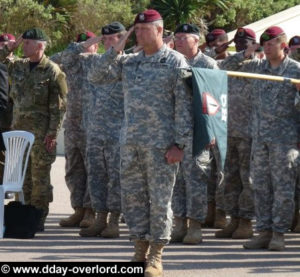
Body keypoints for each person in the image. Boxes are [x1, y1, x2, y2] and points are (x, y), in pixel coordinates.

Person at [82, 10, 191, 277]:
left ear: (159, 30)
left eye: (144, 29)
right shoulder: (129, 61)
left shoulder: (175, 62)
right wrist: (118, 46)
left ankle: (156, 254)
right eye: (136, 29)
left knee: (159, 201)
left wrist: (181, 145)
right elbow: (96, 75)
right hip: (130, 144)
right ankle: (139, 248)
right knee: (133, 200)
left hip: (161, 147)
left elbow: (184, 108)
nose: (139, 33)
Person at [225, 26, 300, 251]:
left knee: (283, 190)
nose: (266, 47)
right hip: (259, 139)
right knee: (261, 188)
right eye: (264, 43)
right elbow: (223, 67)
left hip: (285, 140)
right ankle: (264, 231)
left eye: (271, 43)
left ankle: (279, 234)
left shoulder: (295, 70)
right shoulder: (257, 67)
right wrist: (247, 52)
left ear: (283, 46)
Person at [0, 28, 67, 231]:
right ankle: (27, 215)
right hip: (20, 134)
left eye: (28, 43)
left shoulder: (53, 71)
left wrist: (52, 134)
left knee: (40, 179)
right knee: (24, 178)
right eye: (24, 42)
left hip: (41, 134)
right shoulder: (18, 66)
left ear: (40, 46)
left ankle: (39, 216)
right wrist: (9, 48)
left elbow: (59, 108)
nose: (24, 46)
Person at [69, 22, 126, 239]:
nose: (107, 42)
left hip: (116, 133)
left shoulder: (128, 62)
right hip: (93, 131)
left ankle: (113, 222)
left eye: (112, 38)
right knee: (96, 178)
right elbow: (66, 57)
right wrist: (88, 42)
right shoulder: (93, 61)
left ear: (121, 39)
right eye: (105, 39)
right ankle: (99, 219)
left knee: (116, 178)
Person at [171, 23, 218, 244]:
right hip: (173, 131)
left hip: (198, 132)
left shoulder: (207, 64)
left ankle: (195, 226)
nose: (178, 41)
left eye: (183, 37)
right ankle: (179, 223)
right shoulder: (171, 62)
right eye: (176, 37)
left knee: (196, 179)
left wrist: (212, 130)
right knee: (176, 180)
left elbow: (214, 102)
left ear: (196, 41)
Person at [51, 31, 97, 229]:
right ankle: (78, 209)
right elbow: (52, 59)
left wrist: (88, 50)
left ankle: (90, 211)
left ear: (96, 45)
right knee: (73, 169)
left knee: (92, 169)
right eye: (82, 45)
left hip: (92, 125)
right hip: (72, 124)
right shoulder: (70, 63)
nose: (85, 48)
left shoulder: (98, 63)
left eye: (89, 44)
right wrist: (77, 48)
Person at [215, 27, 257, 240]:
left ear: (254, 43)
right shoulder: (230, 63)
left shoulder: (259, 65)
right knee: (230, 178)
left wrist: (250, 55)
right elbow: (218, 66)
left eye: (246, 43)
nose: (241, 46)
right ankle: (233, 219)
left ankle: (246, 222)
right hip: (229, 131)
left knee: (247, 179)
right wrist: (239, 53)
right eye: (238, 43)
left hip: (250, 133)